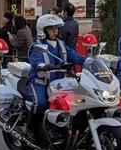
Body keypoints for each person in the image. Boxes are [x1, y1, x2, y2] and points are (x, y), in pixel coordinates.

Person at [25, 14, 88, 142]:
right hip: (40, 82)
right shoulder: (37, 46)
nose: (55, 31)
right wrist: (42, 65)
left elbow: (75, 57)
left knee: (76, 101)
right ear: (43, 31)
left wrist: (90, 61)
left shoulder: (62, 45)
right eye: (51, 28)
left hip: (60, 84)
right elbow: (36, 60)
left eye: (56, 28)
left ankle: (64, 127)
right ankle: (31, 129)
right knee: (41, 103)